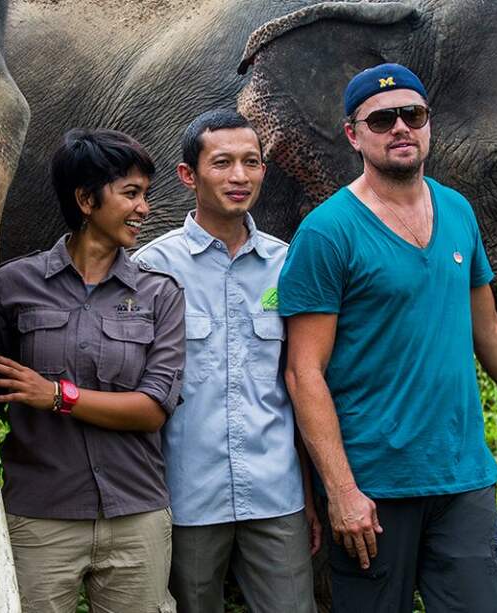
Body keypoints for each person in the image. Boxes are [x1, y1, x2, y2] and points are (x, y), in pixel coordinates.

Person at [278, 63, 497, 612]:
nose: (400, 127)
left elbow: (486, 322)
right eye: (382, 120)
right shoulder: (327, 232)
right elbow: (302, 371)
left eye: (413, 114)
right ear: (353, 134)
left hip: (459, 473)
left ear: (429, 125)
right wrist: (340, 490)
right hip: (374, 485)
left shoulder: (457, 210)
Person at [0, 128, 185, 613]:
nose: (144, 208)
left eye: (146, 194)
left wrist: (56, 395)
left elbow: (151, 408)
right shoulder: (13, 286)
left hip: (136, 515)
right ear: (85, 199)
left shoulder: (160, 294)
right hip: (41, 515)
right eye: (131, 194)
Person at [133, 109, 319, 613]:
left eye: (251, 162)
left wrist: (310, 493)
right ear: (188, 175)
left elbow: (301, 384)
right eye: (222, 163)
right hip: (186, 496)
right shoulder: (150, 269)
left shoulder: (289, 264)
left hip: (276, 494)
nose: (239, 177)